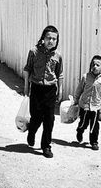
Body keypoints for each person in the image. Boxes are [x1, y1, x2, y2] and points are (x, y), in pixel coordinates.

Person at [23, 25, 63, 158]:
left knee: (49, 119)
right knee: (36, 117)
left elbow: (59, 74)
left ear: (57, 41)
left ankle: (46, 146)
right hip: (36, 88)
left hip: (50, 90)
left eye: (54, 39)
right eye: (48, 38)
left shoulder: (57, 56)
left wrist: (60, 90)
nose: (51, 41)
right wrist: (26, 87)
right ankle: (32, 131)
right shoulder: (34, 52)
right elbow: (28, 69)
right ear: (43, 38)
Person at [73, 55, 101, 151]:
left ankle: (94, 142)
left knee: (94, 125)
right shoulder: (85, 77)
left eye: (98, 65)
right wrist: (76, 99)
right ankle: (79, 131)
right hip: (84, 106)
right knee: (83, 123)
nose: (95, 66)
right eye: (93, 64)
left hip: (95, 107)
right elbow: (79, 89)